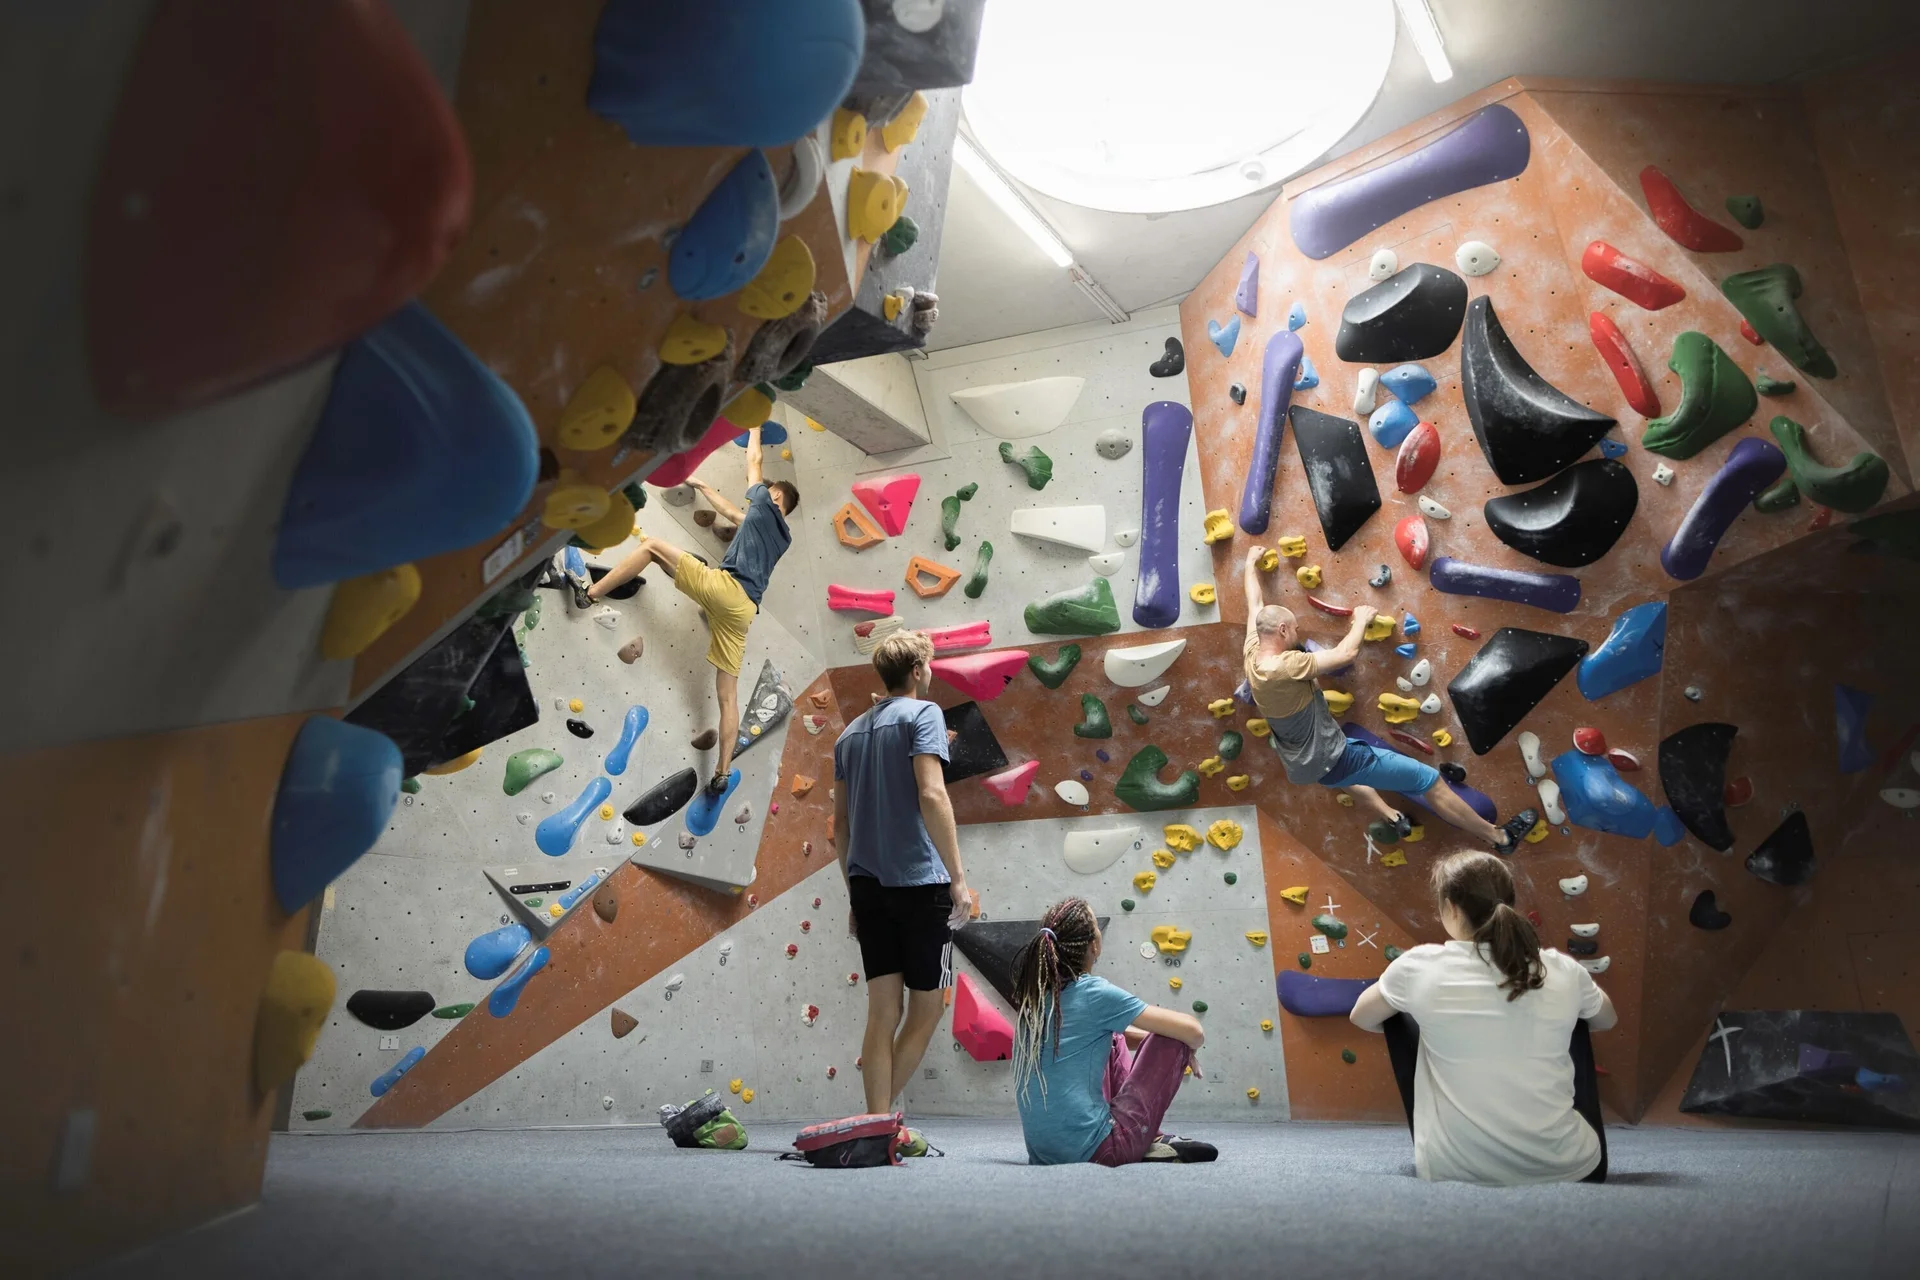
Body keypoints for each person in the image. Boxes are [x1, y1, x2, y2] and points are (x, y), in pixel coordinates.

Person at [1241, 545, 1537, 851]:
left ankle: (1390, 814)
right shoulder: (1286, 666)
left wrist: (1250, 563)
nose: (1297, 634)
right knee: (1429, 782)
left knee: (1343, 777)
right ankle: (1501, 838)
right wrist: (1361, 619)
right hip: (1336, 758)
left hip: (1303, 766)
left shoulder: (1253, 652)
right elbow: (1345, 653)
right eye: (1294, 630)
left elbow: (1255, 605)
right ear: (1282, 629)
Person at [1349, 849, 1616, 1185]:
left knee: (1397, 1015)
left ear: (1452, 907)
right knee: (1579, 1014)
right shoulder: (1561, 968)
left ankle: (1454, 1141)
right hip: (1575, 1168)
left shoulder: (1419, 967)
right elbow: (1607, 1019)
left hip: (1454, 1170)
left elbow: (1362, 1016)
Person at [585, 423, 799, 792]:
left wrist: (754, 425)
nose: (761, 492)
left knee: (651, 546)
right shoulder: (779, 536)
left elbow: (754, 460)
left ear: (776, 498)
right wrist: (702, 486)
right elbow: (734, 514)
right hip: (744, 612)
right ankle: (721, 772)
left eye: (768, 491)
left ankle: (588, 593)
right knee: (728, 695)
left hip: (728, 589)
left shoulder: (765, 503)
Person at [830, 630, 972, 1151]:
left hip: (867, 887)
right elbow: (932, 793)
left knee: (881, 1013)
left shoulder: (847, 735)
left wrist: (853, 892)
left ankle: (874, 1124)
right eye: (929, 666)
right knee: (929, 1009)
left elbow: (840, 827)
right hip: (920, 884)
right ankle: (881, 1120)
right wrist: (958, 877)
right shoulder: (923, 714)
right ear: (917, 670)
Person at [1010, 898, 1216, 1166]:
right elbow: (1194, 1030)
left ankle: (1149, 1139)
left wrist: (1153, 1044)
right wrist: (1183, 1047)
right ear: (1094, 945)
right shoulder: (1093, 993)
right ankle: (1147, 1138)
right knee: (1175, 1038)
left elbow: (1107, 1036)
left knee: (1115, 1035)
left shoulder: (1037, 997)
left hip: (1042, 1155)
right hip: (1101, 1152)